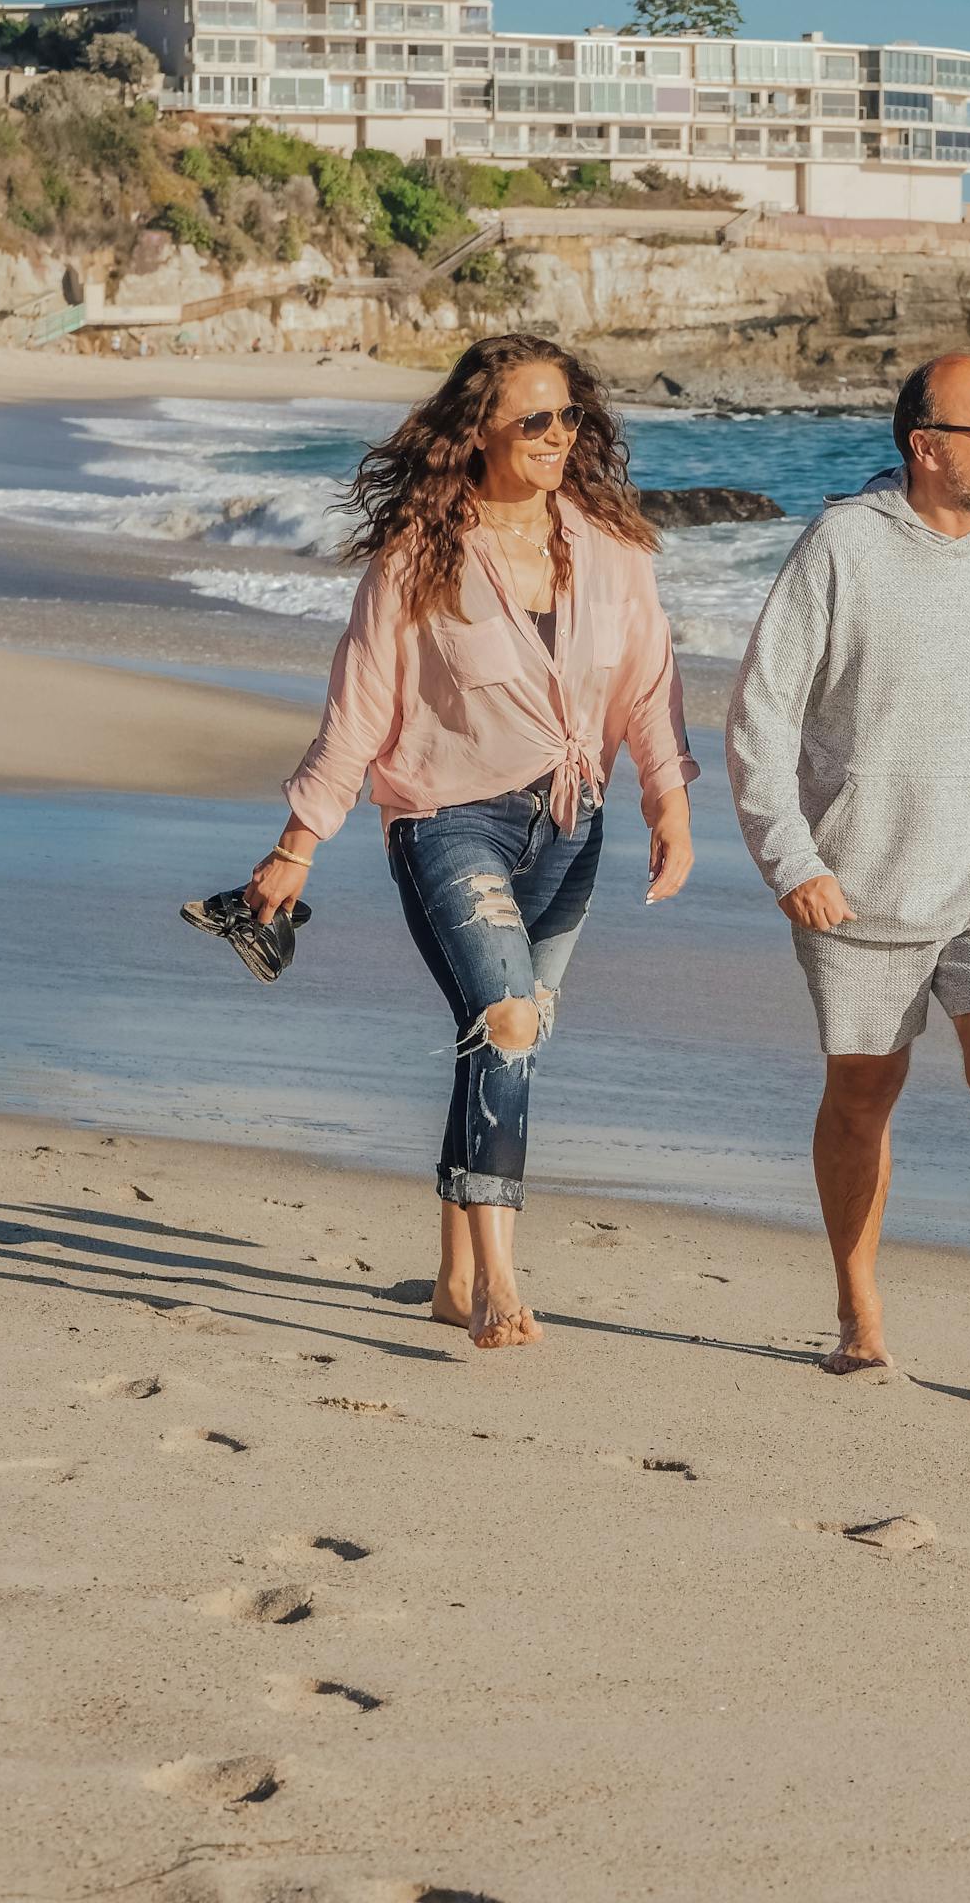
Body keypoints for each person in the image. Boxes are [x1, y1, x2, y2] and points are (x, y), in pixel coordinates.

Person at [245, 334, 698, 1349]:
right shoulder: (421, 553)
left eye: (569, 417)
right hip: (449, 820)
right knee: (506, 1022)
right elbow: (358, 710)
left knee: (506, 1036)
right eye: (534, 418)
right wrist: (298, 841)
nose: (557, 434)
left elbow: (648, 687)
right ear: (481, 432)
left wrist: (668, 805)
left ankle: (453, 1275)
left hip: (571, 825)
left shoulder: (613, 547)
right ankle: (497, 1278)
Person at [726, 352, 970, 1403]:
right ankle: (857, 1311)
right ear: (924, 447)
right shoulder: (843, 544)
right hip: (862, 879)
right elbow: (760, 713)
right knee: (863, 1095)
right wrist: (790, 860)